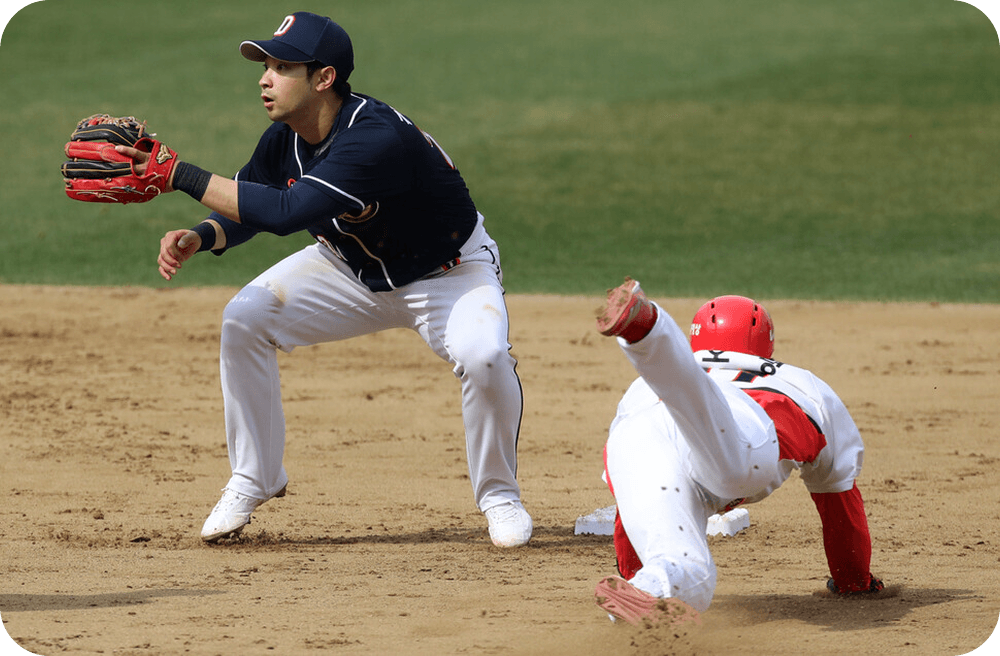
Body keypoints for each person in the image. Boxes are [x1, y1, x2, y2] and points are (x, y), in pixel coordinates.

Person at [120, 12, 532, 547]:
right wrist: (204, 234)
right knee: (245, 318)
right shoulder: (283, 138)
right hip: (349, 270)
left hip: (448, 275)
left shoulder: (375, 137)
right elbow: (251, 202)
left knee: (485, 356)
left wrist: (178, 174)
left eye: (282, 66)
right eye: (266, 65)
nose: (266, 78)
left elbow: (288, 210)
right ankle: (255, 476)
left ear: (324, 78)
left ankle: (500, 495)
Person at [590, 278, 884, 625]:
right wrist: (854, 582)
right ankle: (647, 330)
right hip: (744, 429)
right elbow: (838, 502)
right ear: (766, 343)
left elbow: (629, 502)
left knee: (689, 569)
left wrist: (632, 571)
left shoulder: (635, 391)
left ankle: (649, 586)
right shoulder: (801, 383)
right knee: (715, 440)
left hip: (640, 431)